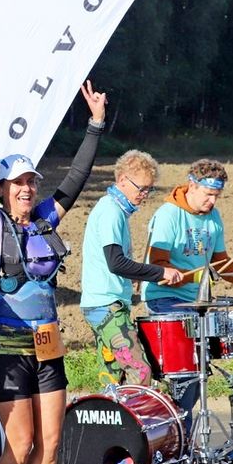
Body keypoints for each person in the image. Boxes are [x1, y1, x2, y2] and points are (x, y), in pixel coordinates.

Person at [0, 73, 105, 464]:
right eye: (18, 182)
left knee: (51, 441)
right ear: (1, 188)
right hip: (5, 346)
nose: (26, 189)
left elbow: (76, 180)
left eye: (31, 182)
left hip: (47, 343)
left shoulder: (45, 218)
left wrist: (95, 125)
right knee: (21, 442)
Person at [142, 159, 233, 435]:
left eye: (217, 195)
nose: (212, 201)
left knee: (196, 376)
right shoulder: (169, 215)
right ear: (192, 186)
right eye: (208, 194)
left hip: (197, 304)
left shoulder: (213, 218)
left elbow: (222, 264)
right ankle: (174, 435)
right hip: (166, 301)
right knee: (185, 376)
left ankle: (182, 436)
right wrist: (194, 276)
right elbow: (158, 265)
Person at [79, 149, 180, 388]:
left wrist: (135, 276)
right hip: (106, 305)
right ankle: (133, 412)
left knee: (112, 376)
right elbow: (116, 263)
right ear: (123, 180)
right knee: (140, 371)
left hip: (104, 304)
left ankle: (108, 411)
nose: (144, 195)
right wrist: (160, 272)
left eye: (149, 190)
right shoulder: (111, 212)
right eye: (141, 188)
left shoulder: (115, 210)